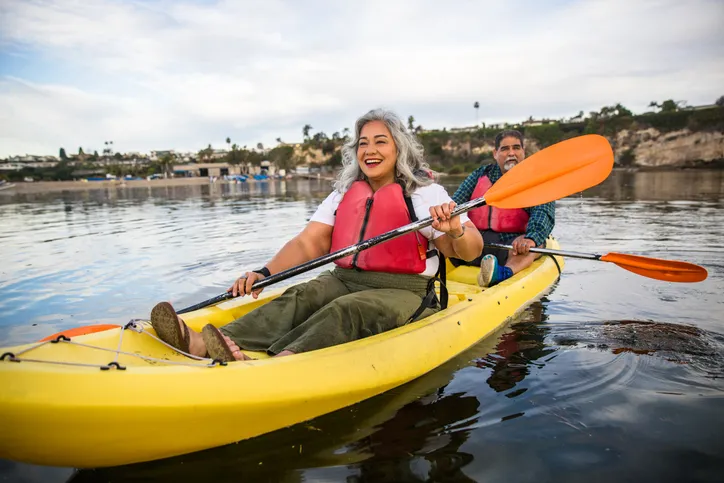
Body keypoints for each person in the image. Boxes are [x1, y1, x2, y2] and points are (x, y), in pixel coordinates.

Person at [150, 109, 483, 362]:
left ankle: (284, 362)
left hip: (408, 292)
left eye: (381, 141)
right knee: (303, 295)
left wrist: (456, 231)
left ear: (399, 149)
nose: (370, 150)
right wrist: (265, 273)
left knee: (347, 309)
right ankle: (210, 342)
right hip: (346, 277)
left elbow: (470, 251)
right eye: (363, 143)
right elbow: (308, 242)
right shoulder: (343, 195)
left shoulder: (426, 194)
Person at [451, 130, 555, 287]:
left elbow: (543, 213)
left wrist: (531, 238)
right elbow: (455, 203)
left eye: (516, 148)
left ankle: (503, 273)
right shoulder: (481, 174)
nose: (511, 153)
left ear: (523, 152)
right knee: (446, 236)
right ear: (495, 153)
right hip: (476, 242)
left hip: (511, 245)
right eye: (505, 149)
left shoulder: (536, 180)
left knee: (537, 245)